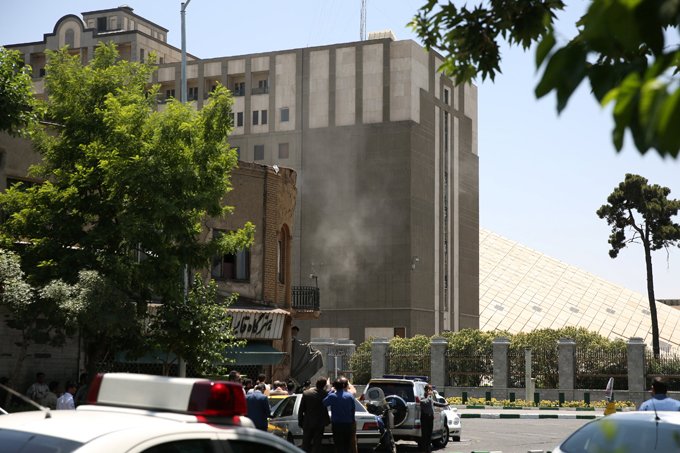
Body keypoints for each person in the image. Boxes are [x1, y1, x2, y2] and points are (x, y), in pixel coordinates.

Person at [323, 378, 356, 453]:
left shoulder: (332, 396)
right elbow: (353, 410)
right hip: (348, 423)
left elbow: (324, 403)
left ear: (335, 386)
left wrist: (331, 391)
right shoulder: (350, 396)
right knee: (346, 444)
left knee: (338, 444)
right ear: (343, 385)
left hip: (337, 424)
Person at [298, 377, 330, 453]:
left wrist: (300, 421)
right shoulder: (325, 394)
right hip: (319, 423)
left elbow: (301, 409)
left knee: (305, 443)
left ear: (316, 383)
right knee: (317, 444)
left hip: (308, 422)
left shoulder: (306, 393)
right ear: (324, 385)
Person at [419, 384, 447, 452]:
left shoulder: (430, 398)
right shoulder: (423, 397)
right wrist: (428, 396)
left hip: (430, 417)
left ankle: (428, 449)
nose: (431, 391)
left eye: (431, 390)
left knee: (429, 434)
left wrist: (444, 405)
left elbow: (434, 403)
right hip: (425, 417)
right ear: (427, 390)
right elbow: (423, 402)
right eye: (430, 390)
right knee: (425, 434)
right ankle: (424, 449)